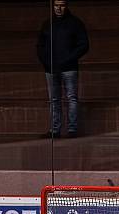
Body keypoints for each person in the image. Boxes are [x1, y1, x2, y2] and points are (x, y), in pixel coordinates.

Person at [36, 0, 89, 138]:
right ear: (52, 6)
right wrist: (46, 62)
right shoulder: (47, 24)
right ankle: (55, 131)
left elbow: (84, 45)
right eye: (56, 5)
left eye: (62, 5)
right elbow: (40, 46)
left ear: (66, 6)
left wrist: (68, 59)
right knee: (54, 100)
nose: (58, 8)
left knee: (71, 98)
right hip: (51, 69)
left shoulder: (75, 23)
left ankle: (72, 130)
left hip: (69, 68)